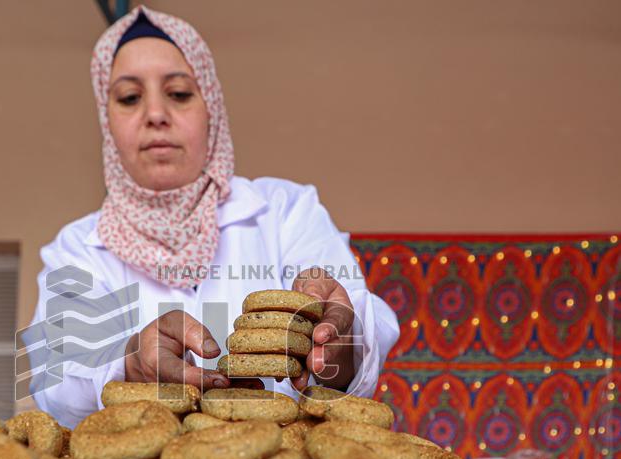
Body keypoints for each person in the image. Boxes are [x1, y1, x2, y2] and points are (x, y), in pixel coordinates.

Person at [25, 6, 399, 429]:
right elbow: (52, 383)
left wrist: (338, 347)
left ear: (212, 108)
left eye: (180, 93)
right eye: (129, 97)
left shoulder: (284, 211)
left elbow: (358, 336)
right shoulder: (78, 246)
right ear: (106, 120)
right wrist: (132, 360)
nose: (155, 114)